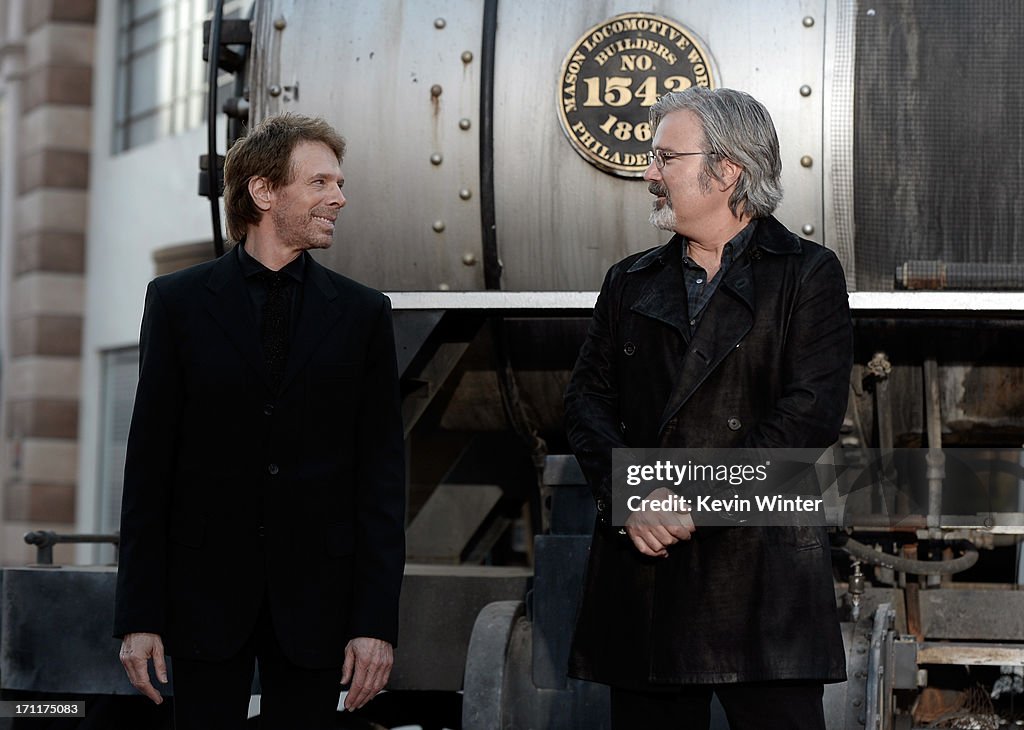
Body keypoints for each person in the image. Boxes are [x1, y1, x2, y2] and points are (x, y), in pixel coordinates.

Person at [564, 88, 852, 729]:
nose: (649, 174)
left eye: (665, 157)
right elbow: (586, 401)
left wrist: (688, 500)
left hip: (760, 586)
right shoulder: (629, 280)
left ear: (727, 170)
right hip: (647, 578)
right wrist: (634, 495)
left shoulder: (808, 274)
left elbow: (808, 416)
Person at [114, 113, 406, 729]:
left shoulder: (362, 313)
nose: (340, 197)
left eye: (340, 182)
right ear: (264, 192)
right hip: (202, 605)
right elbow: (148, 469)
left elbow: (381, 481)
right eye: (321, 182)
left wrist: (374, 625)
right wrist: (140, 615)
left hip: (318, 610)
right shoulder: (176, 303)